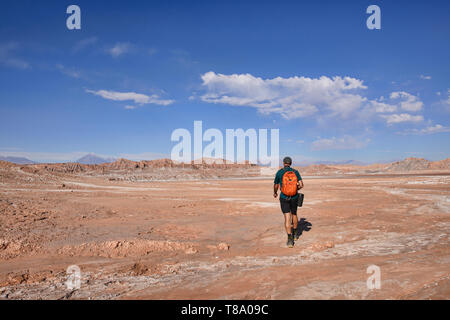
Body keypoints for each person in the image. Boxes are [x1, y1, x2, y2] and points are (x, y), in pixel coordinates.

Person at [273, 156, 304, 248]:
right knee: (294, 214)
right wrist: (295, 189)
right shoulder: (295, 172)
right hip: (294, 197)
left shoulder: (280, 172)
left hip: (284, 197)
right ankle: (295, 235)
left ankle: (290, 240)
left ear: (283, 163)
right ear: (290, 163)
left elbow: (276, 185)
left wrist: (275, 193)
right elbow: (301, 184)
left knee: (287, 217)